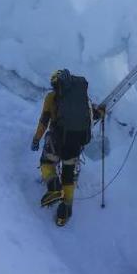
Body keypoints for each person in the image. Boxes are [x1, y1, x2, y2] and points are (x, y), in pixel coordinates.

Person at [31, 69, 105, 226]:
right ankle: (64, 212)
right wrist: (101, 111)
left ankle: (54, 187)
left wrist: (36, 138)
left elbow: (44, 121)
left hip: (57, 141)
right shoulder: (81, 98)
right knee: (68, 175)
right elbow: (93, 114)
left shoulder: (51, 97)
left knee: (46, 163)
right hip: (75, 143)